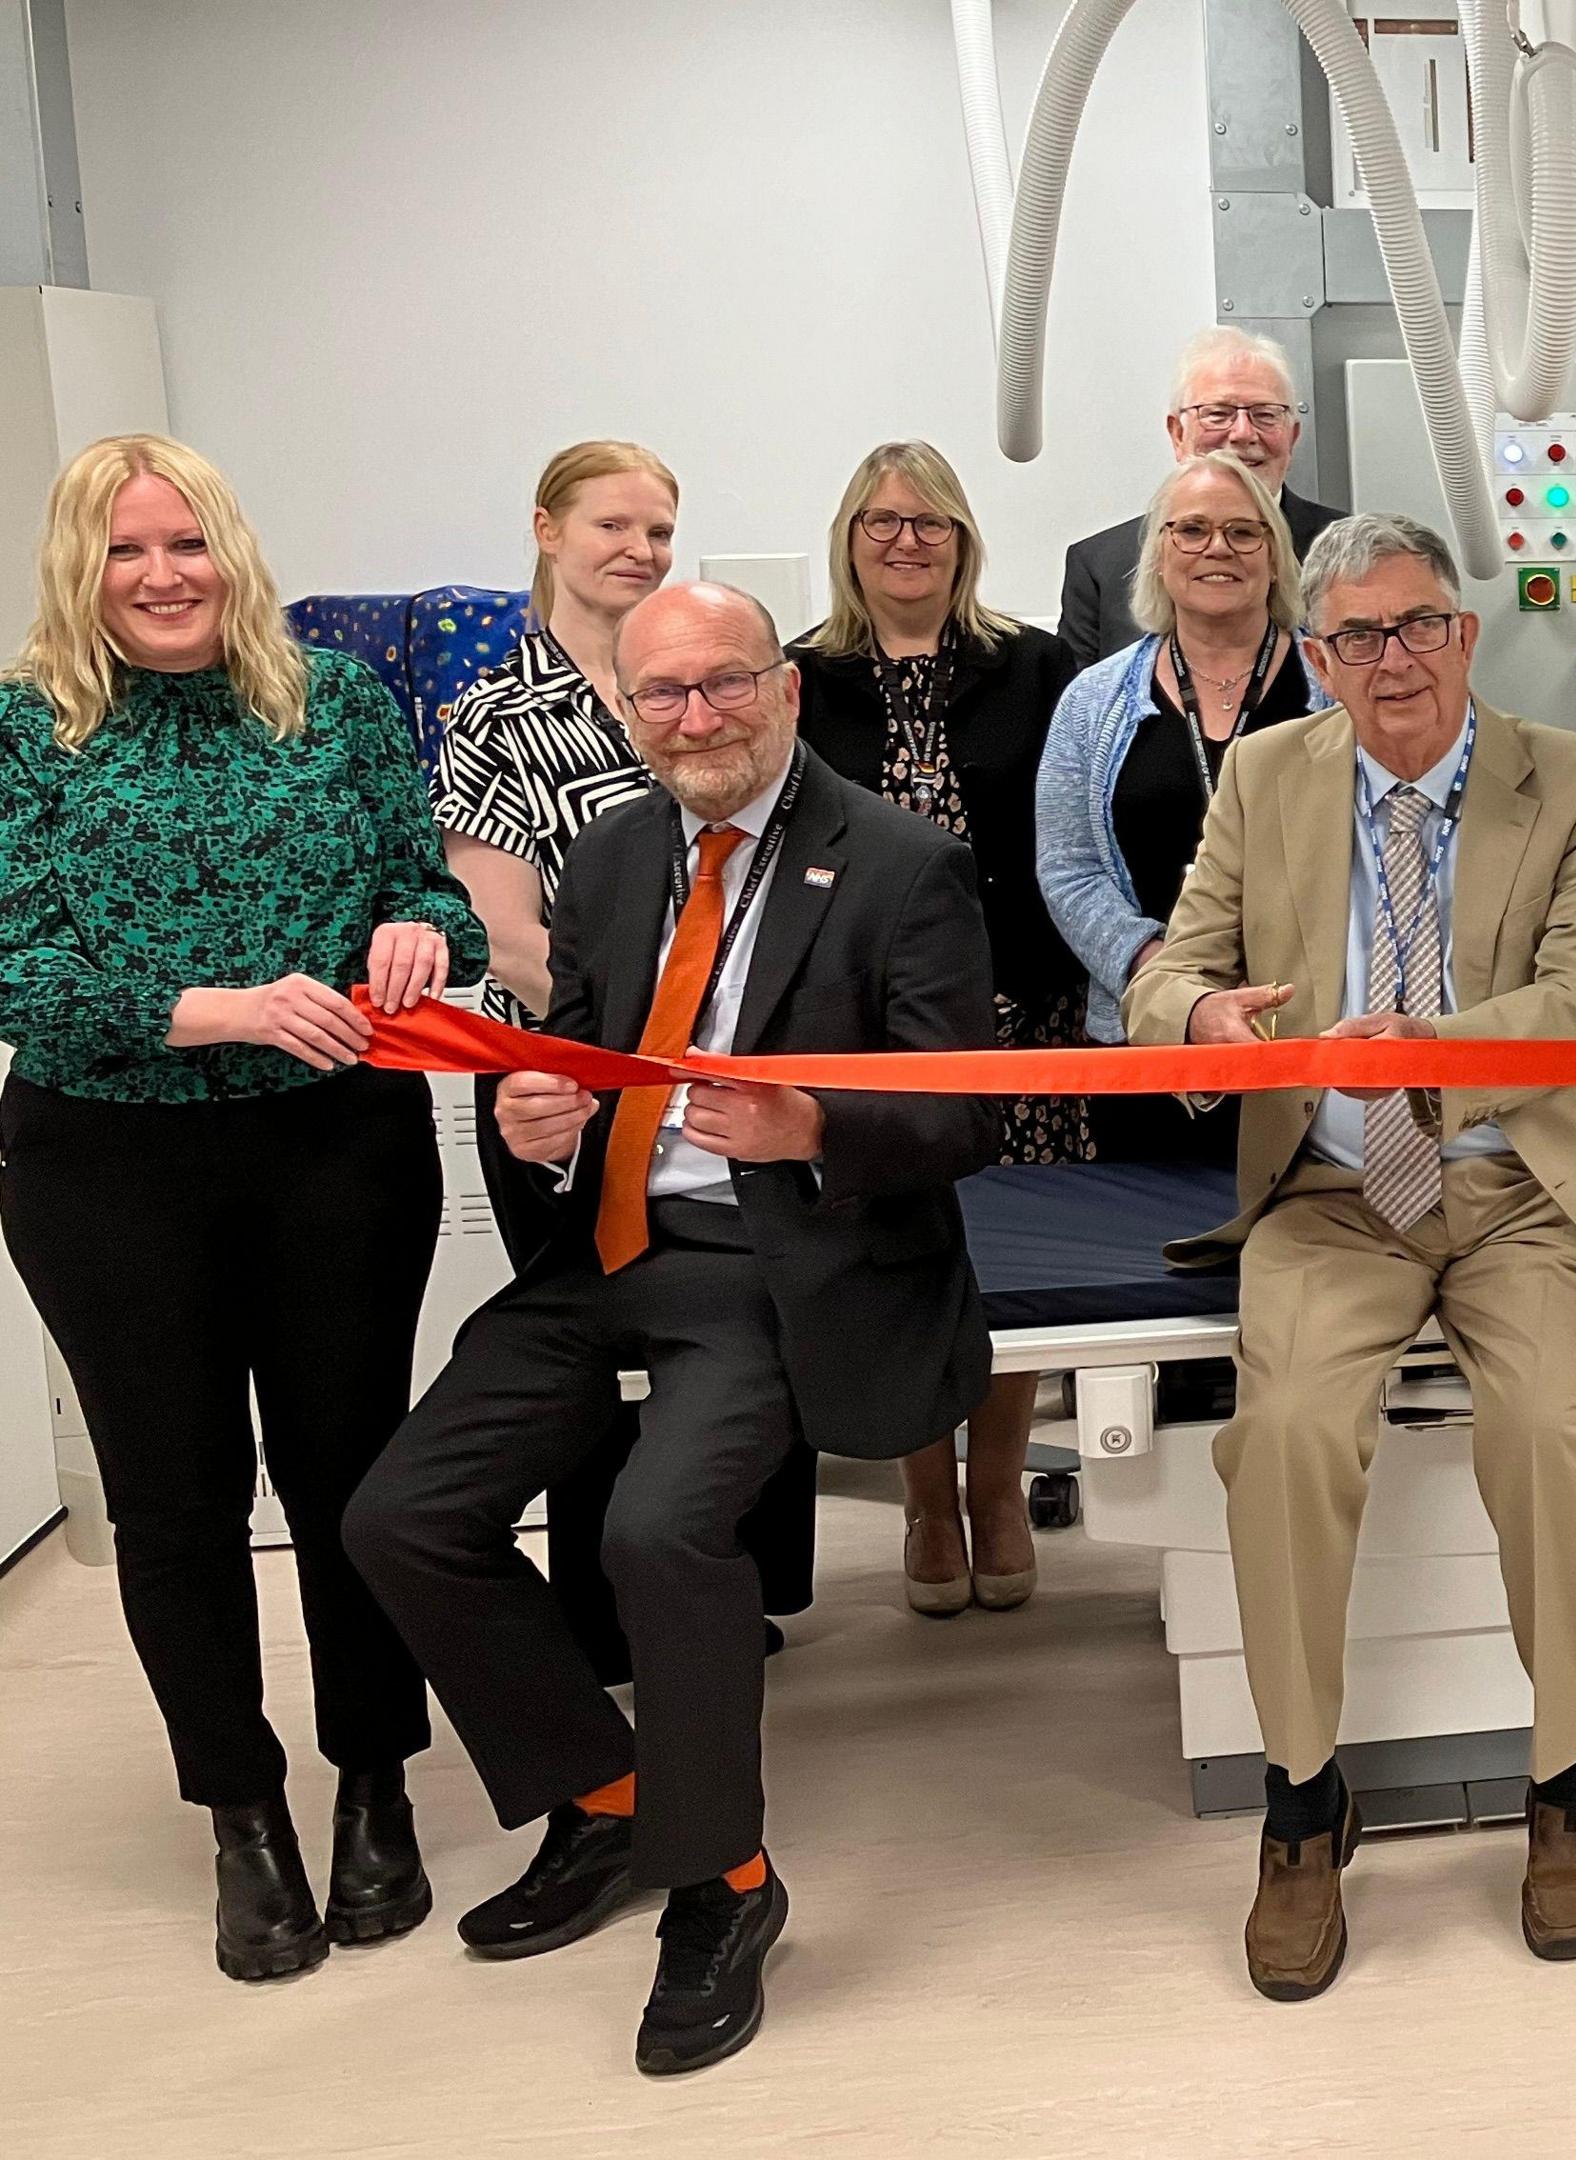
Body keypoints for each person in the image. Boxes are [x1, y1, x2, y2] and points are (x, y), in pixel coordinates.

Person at [346, 584, 1000, 2077]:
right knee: (401, 1514)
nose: (694, 719)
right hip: (605, 1249)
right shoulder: (617, 850)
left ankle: (725, 1884)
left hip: (780, 1263)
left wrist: (809, 1118)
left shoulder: (905, 864)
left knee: (660, 1533)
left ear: (782, 686)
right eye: (661, 697)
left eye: (723, 686)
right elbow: (572, 1050)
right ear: (626, 710)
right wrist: (536, 1117)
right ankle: (604, 1798)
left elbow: (962, 1109)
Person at [1125, 512, 1576, 2002]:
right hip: (1333, 1193)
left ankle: (1568, 1786)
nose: (1395, 659)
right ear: (1318, 658)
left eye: (1420, 624)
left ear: (1468, 634)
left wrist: (1423, 1054)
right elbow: (1173, 964)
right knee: (1285, 1435)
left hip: (1525, 1185)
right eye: (1358, 636)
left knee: (1547, 1433)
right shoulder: (1264, 775)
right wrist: (1205, 1022)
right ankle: (1302, 1805)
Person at [0, 433, 483, 1981]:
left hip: (334, 1151)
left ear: (233, 551)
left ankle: (376, 1789)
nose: (163, 576)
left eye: (187, 544)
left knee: (352, 1480)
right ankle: (242, 1811)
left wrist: (417, 932)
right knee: (177, 1503)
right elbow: (20, 969)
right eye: (128, 551)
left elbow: (436, 888)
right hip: (105, 1166)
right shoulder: (25, 733)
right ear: (83, 570)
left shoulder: (331, 700)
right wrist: (224, 1009)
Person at [438, 440, 817, 1676]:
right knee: (591, 1357)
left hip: (724, 1086)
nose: (639, 551)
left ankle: (710, 1593)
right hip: (563, 1076)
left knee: (737, 1340)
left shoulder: (699, 677)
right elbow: (499, 923)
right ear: (546, 530)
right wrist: (635, 1045)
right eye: (612, 526)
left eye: (659, 530)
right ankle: (605, 1624)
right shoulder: (496, 714)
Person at [793, 441, 1080, 1614]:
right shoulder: (798, 676)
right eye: (882, 522)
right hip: (868, 1022)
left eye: (930, 523)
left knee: (1006, 1257)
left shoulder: (1038, 666)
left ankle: (1001, 1485)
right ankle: (924, 1494)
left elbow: (1071, 826)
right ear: (849, 539)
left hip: (1021, 1005)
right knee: (902, 1252)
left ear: (963, 540)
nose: (906, 541)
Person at [1037, 452, 1307, 1166]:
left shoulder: (1339, 687)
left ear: (1276, 558)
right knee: (1157, 1258)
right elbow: (1068, 869)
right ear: (1158, 556)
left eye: (1244, 533)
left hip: (1311, 1031)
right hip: (1147, 1037)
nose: (1217, 549)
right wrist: (1169, 981)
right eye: (1190, 531)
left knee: (1319, 1254)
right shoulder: (1091, 703)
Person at [1056, 325, 1340, 672]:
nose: (1242, 433)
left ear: (1292, 437)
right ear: (1177, 433)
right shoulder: (1100, 568)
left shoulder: (1350, 552)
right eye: (1218, 413)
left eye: (1265, 414)